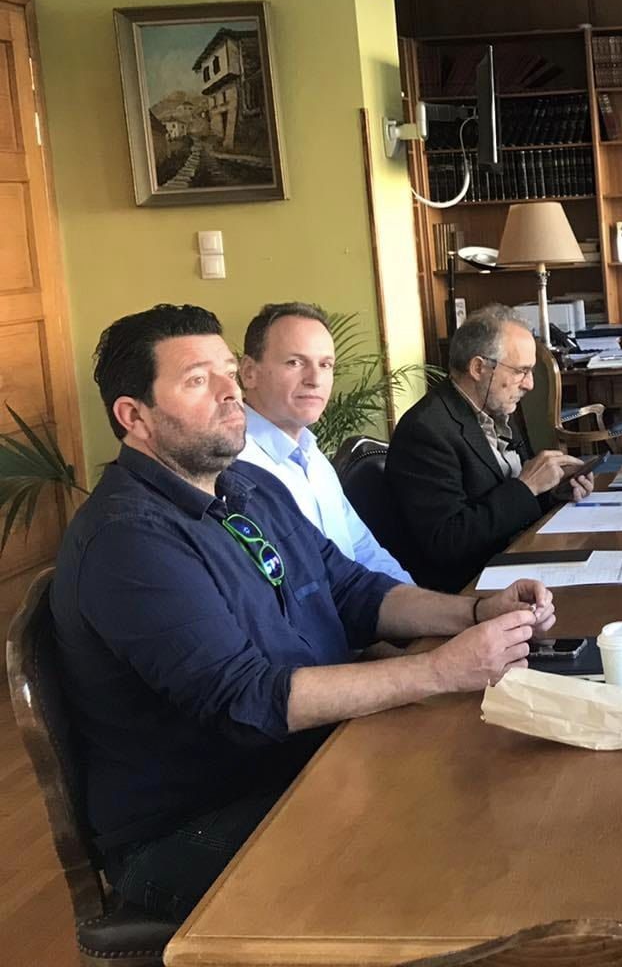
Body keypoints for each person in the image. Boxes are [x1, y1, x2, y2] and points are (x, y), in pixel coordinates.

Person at [52, 304, 558, 922]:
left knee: (501, 784)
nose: (228, 392)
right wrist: (440, 671)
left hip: (304, 756)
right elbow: (245, 699)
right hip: (195, 820)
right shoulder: (128, 539)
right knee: (449, 850)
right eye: (197, 381)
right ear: (134, 417)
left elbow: (352, 589)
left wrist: (474, 611)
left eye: (227, 372)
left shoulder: (247, 487)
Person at [386, 305, 593, 592]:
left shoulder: (495, 408)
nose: (530, 384)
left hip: (518, 560)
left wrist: (552, 491)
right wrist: (528, 487)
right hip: (472, 587)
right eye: (521, 371)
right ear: (478, 368)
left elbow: (506, 495)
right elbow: (446, 542)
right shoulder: (425, 431)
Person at [236, 301, 412, 584]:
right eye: (295, 363)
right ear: (248, 372)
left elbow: (363, 550)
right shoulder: (231, 466)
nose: (315, 379)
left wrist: (419, 603)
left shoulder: (313, 455)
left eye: (325, 364)